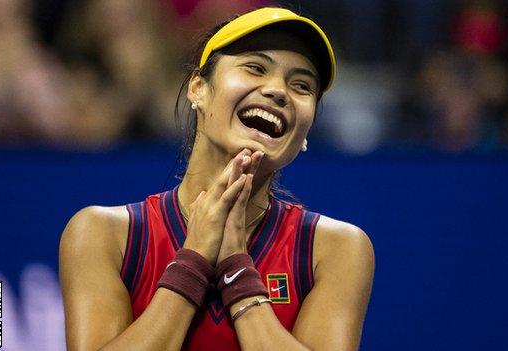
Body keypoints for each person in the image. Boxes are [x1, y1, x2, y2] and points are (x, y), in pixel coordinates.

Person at [59, 7, 374, 350]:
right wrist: (192, 262)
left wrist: (238, 272)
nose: (279, 91)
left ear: (305, 133)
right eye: (256, 67)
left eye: (302, 85)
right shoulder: (101, 234)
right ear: (198, 88)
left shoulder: (337, 249)